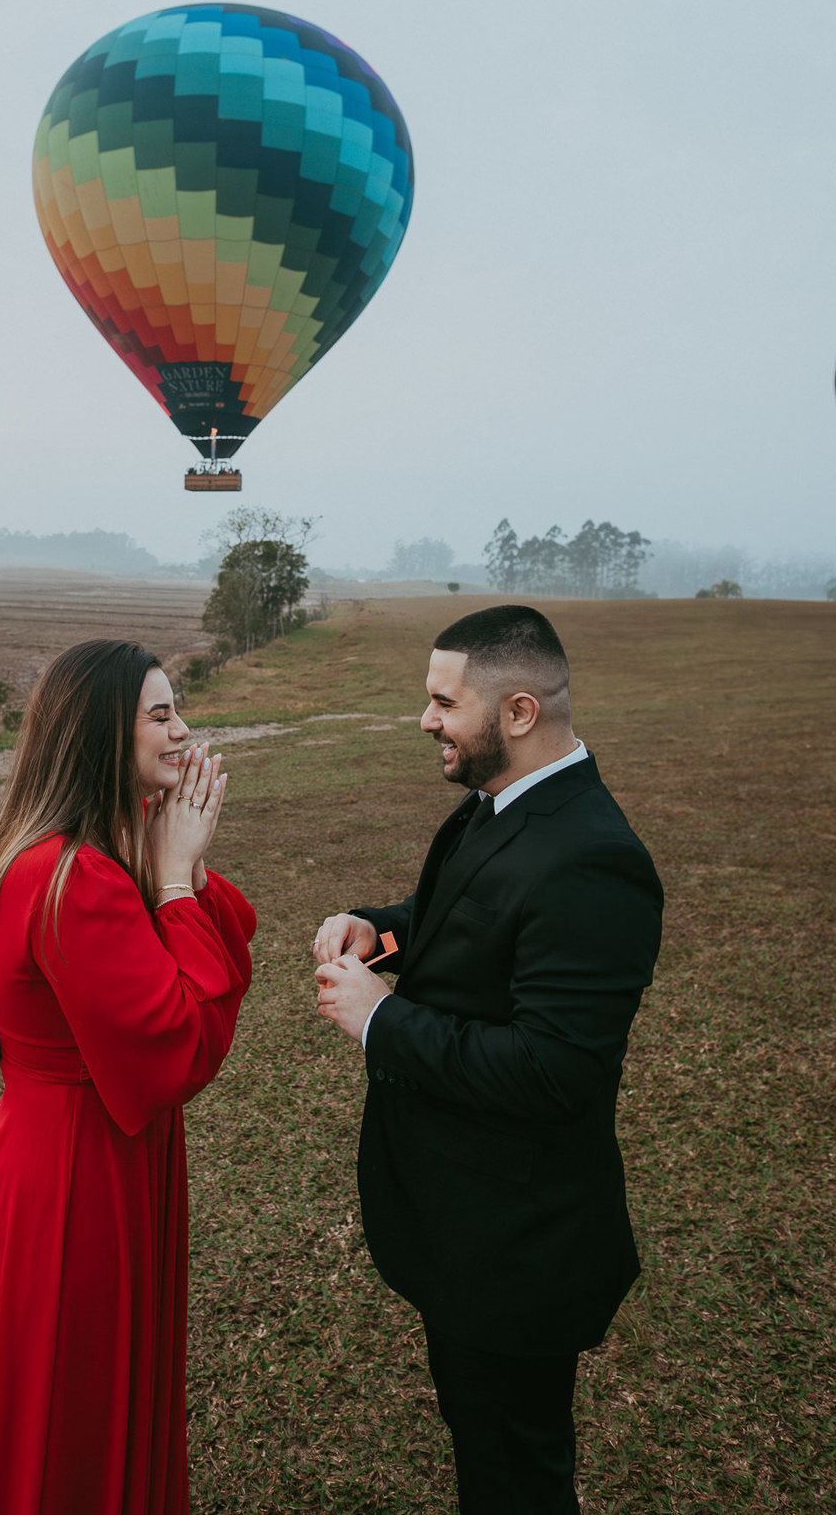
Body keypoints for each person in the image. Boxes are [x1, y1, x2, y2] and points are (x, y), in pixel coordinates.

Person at [0, 639, 255, 1515]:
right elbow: (177, 1044)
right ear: (98, 731)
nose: (183, 729)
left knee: (61, 1395)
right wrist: (170, 879)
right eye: (160, 714)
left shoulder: (77, 852)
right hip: (77, 1181)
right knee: (64, 1406)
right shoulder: (73, 876)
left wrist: (179, 865)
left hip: (71, 1158)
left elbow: (222, 944)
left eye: (179, 710)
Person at [313, 606, 662, 1515]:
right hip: (469, 1229)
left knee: (516, 1478)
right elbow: (463, 920)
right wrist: (381, 929)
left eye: (442, 701)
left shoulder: (592, 859)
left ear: (515, 712)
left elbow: (556, 1071)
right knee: (486, 1452)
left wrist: (379, 1023)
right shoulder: (505, 805)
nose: (425, 719)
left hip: (520, 1248)